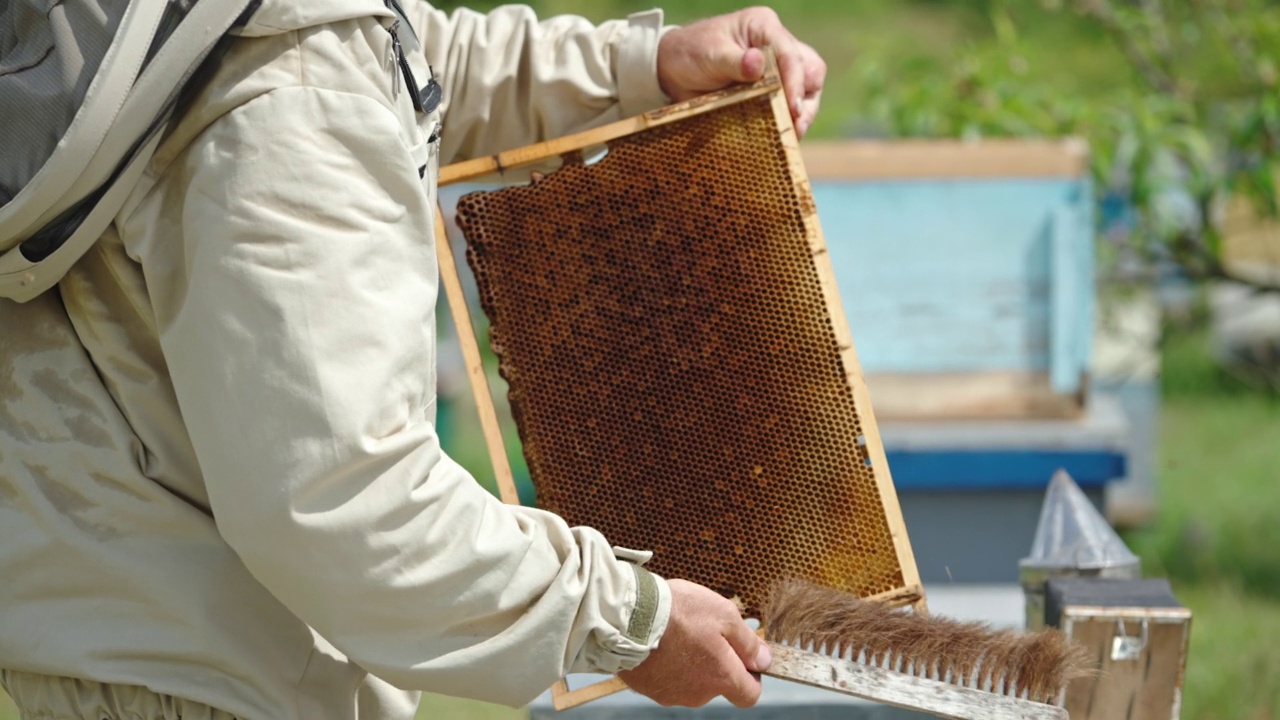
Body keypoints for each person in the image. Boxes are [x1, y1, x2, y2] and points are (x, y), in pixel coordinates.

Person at [0, 2, 826, 718]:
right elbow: (346, 497)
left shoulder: (203, 29)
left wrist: (636, 66)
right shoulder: (290, 96)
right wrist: (626, 618)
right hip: (227, 689)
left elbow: (396, 53)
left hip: (127, 651)